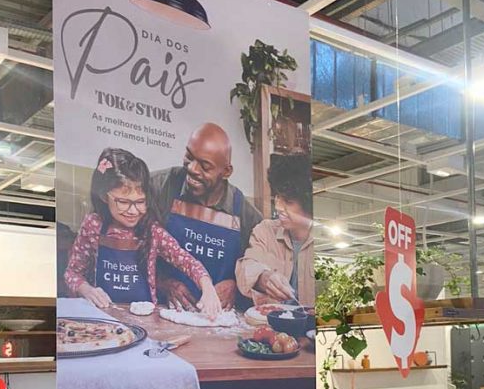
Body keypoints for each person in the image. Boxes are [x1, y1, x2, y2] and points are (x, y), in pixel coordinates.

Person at [64, 147, 221, 317]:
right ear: (104, 196)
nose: (133, 211)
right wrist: (86, 289)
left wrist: (207, 287)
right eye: (123, 202)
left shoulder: (152, 231)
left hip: (146, 320)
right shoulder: (93, 225)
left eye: (140, 202)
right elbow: (72, 273)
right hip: (104, 318)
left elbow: (187, 261)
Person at [152, 123, 262, 310]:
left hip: (216, 317)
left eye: (205, 166)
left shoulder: (247, 215)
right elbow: (129, 247)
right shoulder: (159, 187)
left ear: (226, 172)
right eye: (189, 157)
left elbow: (260, 272)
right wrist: (162, 283)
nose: (192, 168)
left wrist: (237, 286)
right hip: (163, 311)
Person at [236, 155, 314, 306]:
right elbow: (247, 266)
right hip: (272, 320)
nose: (278, 206)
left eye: (288, 202)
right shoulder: (265, 231)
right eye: (277, 196)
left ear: (308, 205)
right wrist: (263, 278)